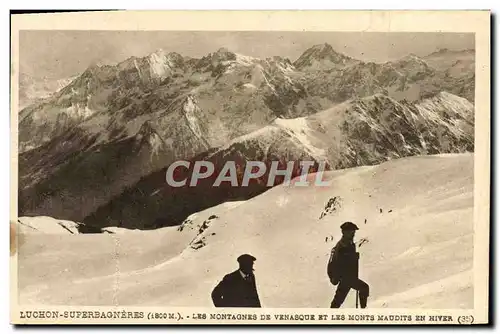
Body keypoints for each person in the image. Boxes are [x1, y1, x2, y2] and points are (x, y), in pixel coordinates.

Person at [327, 222, 369, 308]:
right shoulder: (342, 245)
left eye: (354, 232)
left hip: (348, 278)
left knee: (337, 301)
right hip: (346, 278)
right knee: (364, 288)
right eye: (351, 231)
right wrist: (352, 257)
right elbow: (339, 263)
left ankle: (330, 315)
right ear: (345, 232)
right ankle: (363, 312)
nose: (353, 234)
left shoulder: (349, 244)